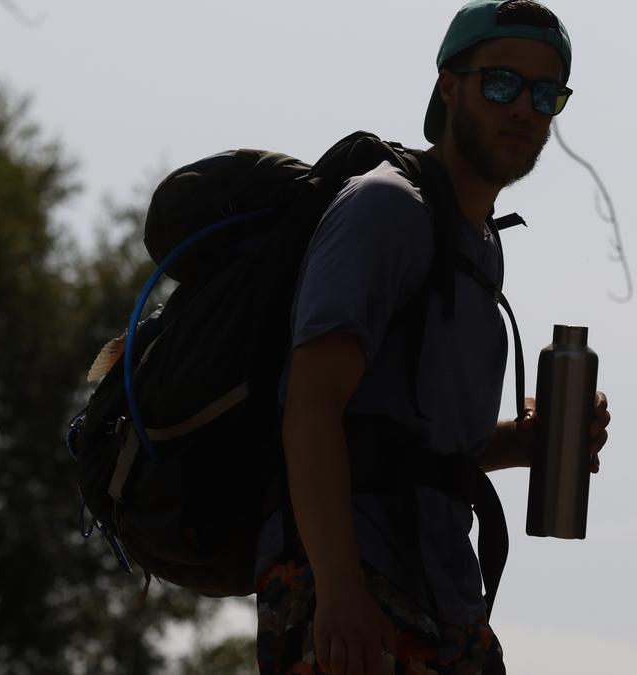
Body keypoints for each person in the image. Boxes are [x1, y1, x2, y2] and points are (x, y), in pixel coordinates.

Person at [252, 1, 610, 674]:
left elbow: (424, 452)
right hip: (356, 581)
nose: (523, 109)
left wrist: (527, 444)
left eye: (545, 93)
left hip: (448, 597)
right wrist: (339, 589)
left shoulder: (479, 248)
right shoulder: (385, 208)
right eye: (501, 82)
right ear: (450, 85)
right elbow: (310, 405)